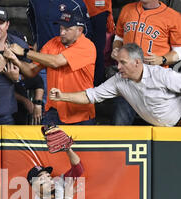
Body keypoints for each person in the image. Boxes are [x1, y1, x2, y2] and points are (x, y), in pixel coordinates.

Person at [49, 43, 181, 127]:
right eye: (117, 62)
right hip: (159, 130)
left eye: (123, 62)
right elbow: (90, 95)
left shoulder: (161, 75)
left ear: (137, 62)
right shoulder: (119, 80)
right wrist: (62, 96)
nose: (118, 67)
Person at [5, 10, 96, 126]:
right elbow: (31, 71)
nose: (62, 32)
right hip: (54, 111)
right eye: (61, 28)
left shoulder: (87, 46)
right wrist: (15, 60)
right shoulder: (52, 44)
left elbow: (56, 61)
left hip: (80, 113)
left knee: (81, 145)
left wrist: (24, 52)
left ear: (80, 31)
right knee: (50, 144)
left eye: (67, 29)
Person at [111, 0, 181, 125]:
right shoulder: (127, 9)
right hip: (128, 79)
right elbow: (119, 37)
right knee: (120, 126)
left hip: (156, 82)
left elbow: (179, 51)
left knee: (159, 127)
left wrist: (162, 59)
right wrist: (116, 48)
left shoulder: (173, 16)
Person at [27, 0, 93, 104]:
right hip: (44, 57)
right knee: (48, 101)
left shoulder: (76, 3)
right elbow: (31, 18)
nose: (62, 31)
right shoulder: (34, 1)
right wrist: (36, 39)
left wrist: (72, 53)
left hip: (69, 63)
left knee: (68, 101)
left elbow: (86, 30)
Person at [83, 0, 115, 86]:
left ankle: (97, 86)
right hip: (81, 7)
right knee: (81, 49)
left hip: (99, 9)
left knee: (97, 52)